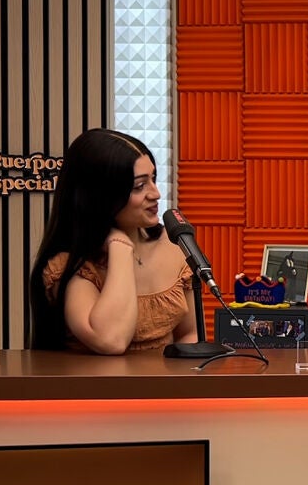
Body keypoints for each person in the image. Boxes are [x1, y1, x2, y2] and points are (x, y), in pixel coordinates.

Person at [28, 129, 198, 355]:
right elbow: (111, 340)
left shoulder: (173, 243)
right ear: (100, 196)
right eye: (139, 186)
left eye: (153, 179)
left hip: (166, 379)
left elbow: (190, 334)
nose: (155, 193)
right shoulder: (70, 266)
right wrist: (120, 246)